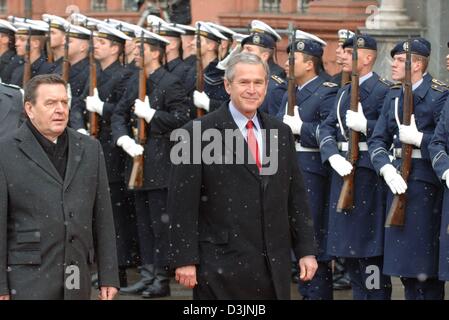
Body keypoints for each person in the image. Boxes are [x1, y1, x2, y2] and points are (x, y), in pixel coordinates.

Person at [169, 52, 318, 299]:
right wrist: (184, 259)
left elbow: (296, 197)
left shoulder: (280, 132)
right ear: (228, 85)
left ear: (266, 86)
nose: (252, 90)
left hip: (273, 265)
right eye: (244, 82)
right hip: (220, 264)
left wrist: (306, 250)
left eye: (258, 83)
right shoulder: (195, 133)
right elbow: (181, 203)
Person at [0, 74, 119, 300]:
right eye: (50, 103)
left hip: (76, 274)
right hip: (27, 276)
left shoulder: (89, 149)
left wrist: (109, 275)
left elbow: (103, 218)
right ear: (29, 109)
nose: (60, 109)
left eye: (64, 102)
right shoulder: (5, 152)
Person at [368, 38, 449, 300]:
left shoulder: (438, 95)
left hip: (425, 187)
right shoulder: (394, 94)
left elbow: (440, 144)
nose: (393, 64)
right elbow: (377, 139)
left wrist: (420, 140)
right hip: (396, 183)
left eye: (400, 60)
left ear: (417, 64)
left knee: (425, 269)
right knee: (404, 268)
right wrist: (386, 169)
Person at [112, 27, 190, 298]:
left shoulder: (170, 83)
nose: (135, 54)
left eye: (141, 50)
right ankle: (147, 274)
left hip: (160, 162)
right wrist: (124, 139)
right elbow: (119, 114)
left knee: (160, 224)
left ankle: (160, 278)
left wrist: (153, 115)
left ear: (155, 53)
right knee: (142, 223)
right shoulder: (136, 81)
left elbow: (182, 120)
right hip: (137, 161)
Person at [319, 34, 393, 300]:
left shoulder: (384, 90)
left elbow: (391, 133)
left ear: (369, 57)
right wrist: (331, 154)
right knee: (350, 254)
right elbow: (326, 127)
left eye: (351, 53)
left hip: (367, 179)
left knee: (370, 254)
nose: (344, 57)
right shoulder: (344, 90)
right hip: (343, 174)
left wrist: (367, 126)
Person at [279, 37, 339, 299]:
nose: (286, 64)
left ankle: (317, 294)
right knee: (294, 237)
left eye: (293, 60)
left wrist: (300, 128)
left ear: (310, 64)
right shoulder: (290, 91)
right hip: (288, 172)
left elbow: (333, 134)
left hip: (311, 175)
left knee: (311, 240)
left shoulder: (327, 91)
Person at [241, 32, 286, 116]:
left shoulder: (274, 88)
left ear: (264, 56)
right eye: (243, 49)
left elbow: (276, 125)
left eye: (249, 49)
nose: (243, 53)